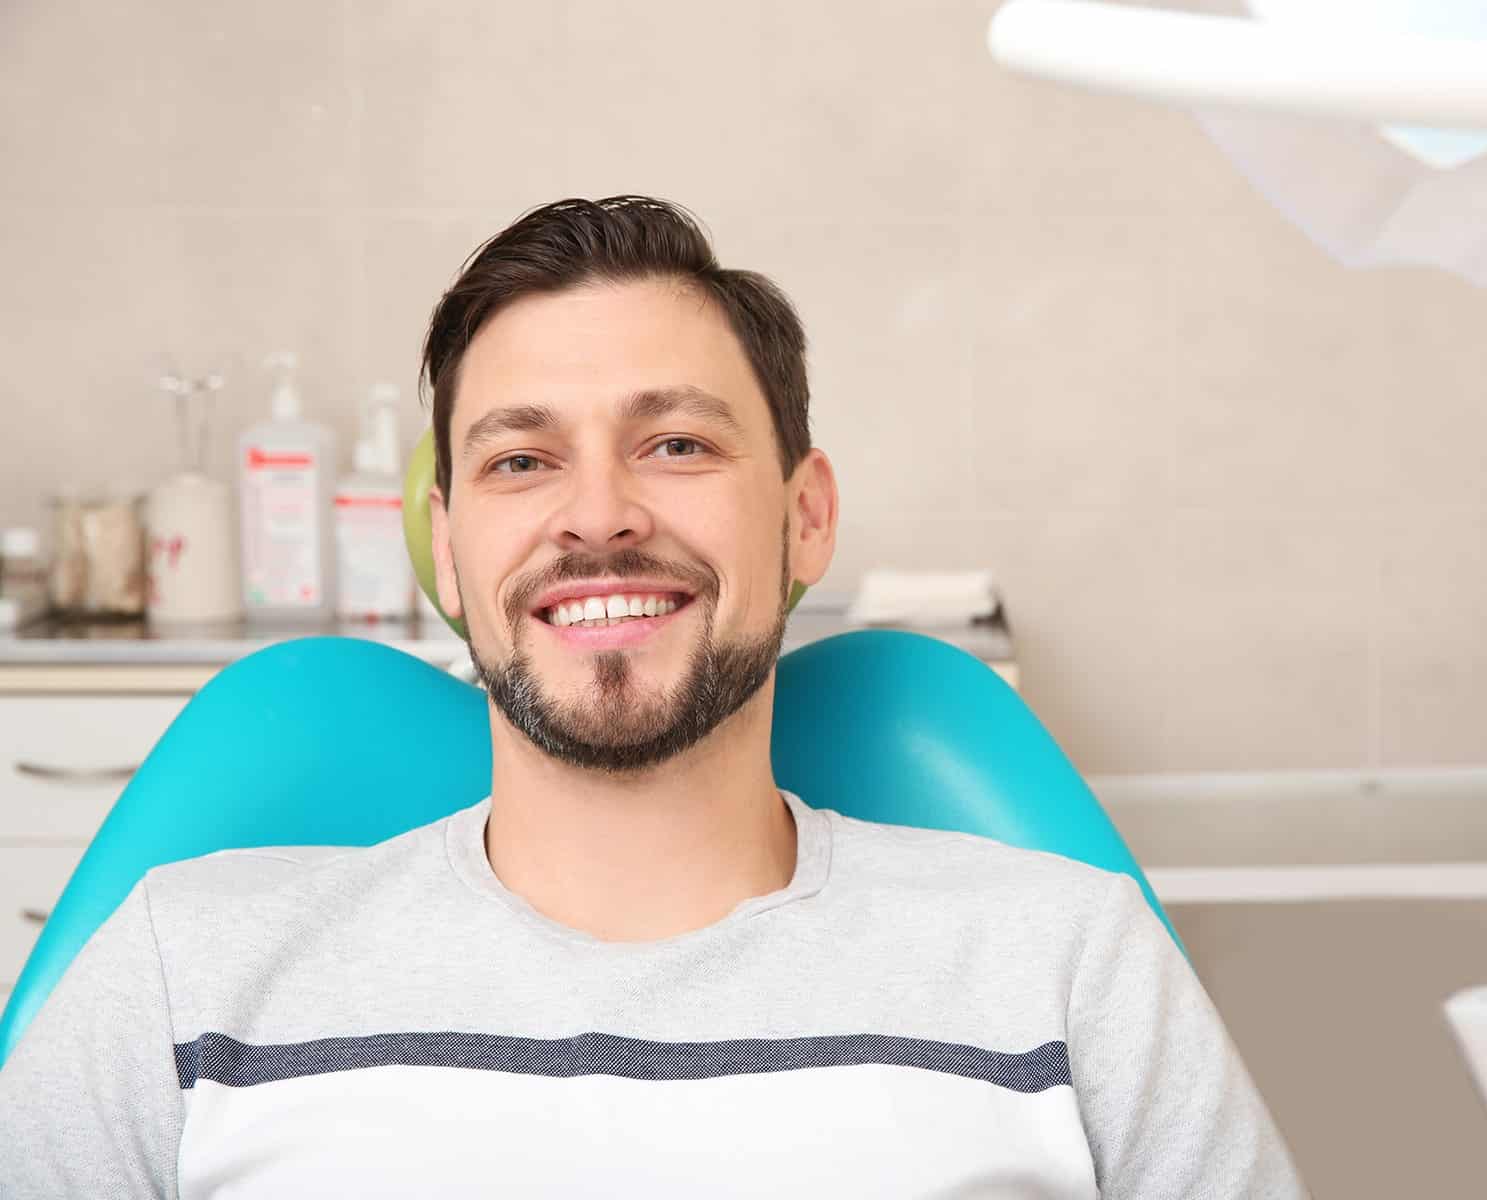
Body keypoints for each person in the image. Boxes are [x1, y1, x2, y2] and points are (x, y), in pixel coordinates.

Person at [0, 196, 1307, 1198]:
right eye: (524, 459)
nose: (601, 517)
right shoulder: (187, 977)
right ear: (446, 549)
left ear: (805, 519)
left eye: (674, 444)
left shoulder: (1071, 966)